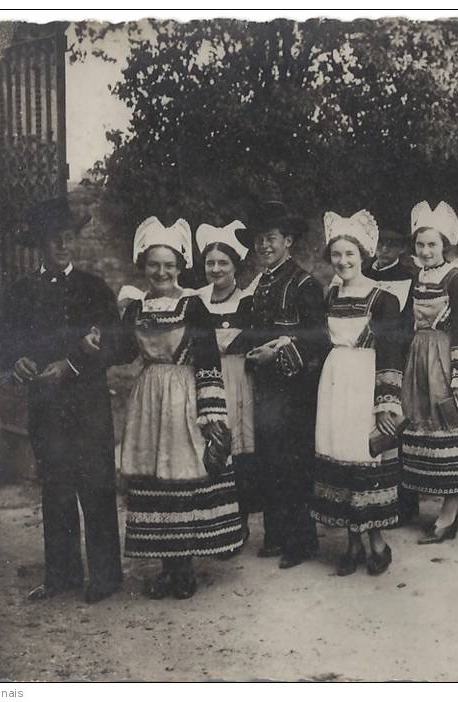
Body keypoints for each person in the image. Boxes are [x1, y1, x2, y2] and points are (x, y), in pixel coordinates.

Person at [0, 198, 122, 604]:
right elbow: (2, 341)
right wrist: (18, 361)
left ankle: (105, 576)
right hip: (46, 406)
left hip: (88, 404)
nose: (63, 245)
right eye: (55, 238)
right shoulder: (21, 292)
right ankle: (62, 575)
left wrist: (73, 363)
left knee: (96, 485)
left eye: (68, 237)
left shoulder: (94, 288)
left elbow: (120, 343)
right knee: (56, 487)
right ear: (41, 243)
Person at [109, 217, 243, 599]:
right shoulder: (136, 308)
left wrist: (212, 411)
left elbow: (207, 360)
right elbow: (121, 352)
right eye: (154, 264)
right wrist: (101, 331)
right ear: (143, 266)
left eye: (169, 265)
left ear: (180, 266)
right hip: (149, 399)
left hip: (184, 395)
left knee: (184, 474)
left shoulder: (194, 306)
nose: (162, 272)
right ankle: (166, 568)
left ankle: (184, 569)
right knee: (155, 479)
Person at [230, 201, 327, 568]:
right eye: (259, 241)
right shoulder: (261, 285)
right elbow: (251, 331)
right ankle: (275, 535)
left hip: (296, 388)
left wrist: (281, 354)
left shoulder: (305, 284)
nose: (264, 247)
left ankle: (301, 542)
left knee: (294, 463)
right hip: (265, 386)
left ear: (288, 240)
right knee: (268, 458)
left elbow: (318, 339)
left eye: (270, 239)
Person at [310, 210, 404, 575]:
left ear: (364, 255)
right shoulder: (330, 295)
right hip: (335, 383)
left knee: (366, 456)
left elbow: (392, 353)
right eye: (336, 254)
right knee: (339, 455)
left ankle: (376, 541)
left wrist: (386, 403)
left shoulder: (383, 299)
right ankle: (352, 543)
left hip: (365, 383)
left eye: (349, 254)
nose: (343, 261)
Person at [400, 200, 458, 544]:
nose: (425, 251)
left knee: (450, 429)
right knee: (428, 431)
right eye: (421, 245)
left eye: (432, 245)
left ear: (445, 246)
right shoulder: (419, 277)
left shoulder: (457, 280)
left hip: (446, 360)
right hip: (419, 359)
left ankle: (448, 514)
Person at [195, 221, 257, 556]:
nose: (216, 269)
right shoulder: (195, 300)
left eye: (223, 263)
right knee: (210, 445)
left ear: (235, 267)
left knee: (237, 449)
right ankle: (211, 522)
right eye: (210, 263)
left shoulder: (247, 301)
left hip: (235, 378)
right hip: (206, 377)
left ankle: (239, 523)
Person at [362, 225, 419, 524]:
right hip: (359, 359)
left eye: (390, 245)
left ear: (401, 250)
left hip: (394, 356)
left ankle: (402, 505)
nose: (383, 250)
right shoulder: (361, 270)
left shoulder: (408, 278)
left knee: (394, 426)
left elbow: (407, 325)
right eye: (380, 245)